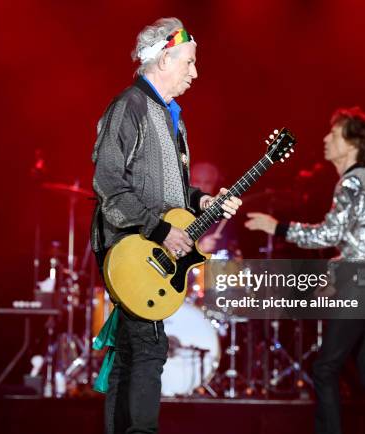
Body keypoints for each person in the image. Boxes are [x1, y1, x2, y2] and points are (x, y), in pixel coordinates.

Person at [244, 107, 365, 433]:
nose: (325, 139)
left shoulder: (353, 181)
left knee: (324, 369)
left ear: (351, 143)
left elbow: (329, 235)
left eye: (333, 134)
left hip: (361, 285)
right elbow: (362, 245)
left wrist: (276, 227)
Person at [90, 17, 242, 434]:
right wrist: (158, 231)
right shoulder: (129, 106)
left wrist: (202, 200)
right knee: (150, 350)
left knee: (128, 354)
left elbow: (172, 194)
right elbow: (108, 183)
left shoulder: (172, 117)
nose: (195, 73)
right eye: (189, 63)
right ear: (162, 59)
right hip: (132, 249)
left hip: (148, 246)